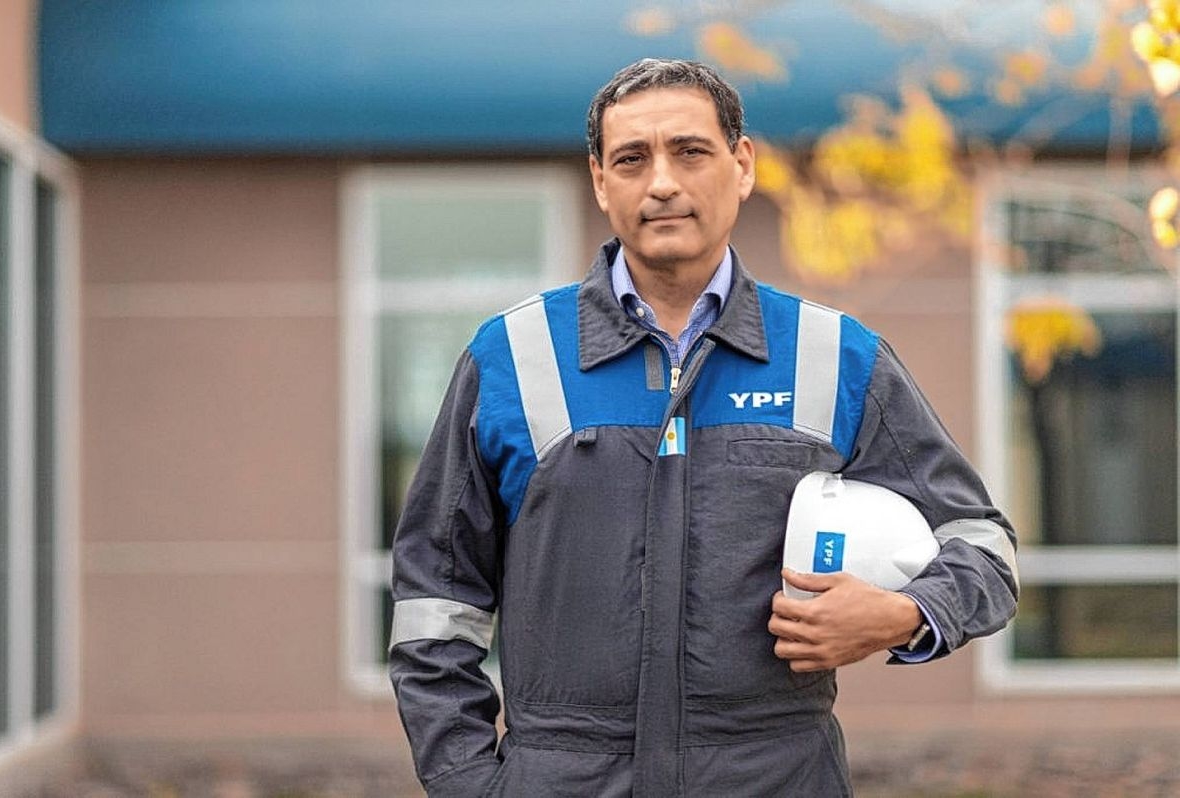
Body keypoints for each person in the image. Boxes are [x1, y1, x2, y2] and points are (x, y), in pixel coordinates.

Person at [388, 58, 1018, 797]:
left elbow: (982, 543)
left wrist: (904, 614)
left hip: (777, 779)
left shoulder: (834, 356)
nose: (662, 183)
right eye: (632, 159)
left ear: (741, 165)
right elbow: (434, 600)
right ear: (600, 181)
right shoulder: (513, 359)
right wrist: (470, 784)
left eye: (689, 151)